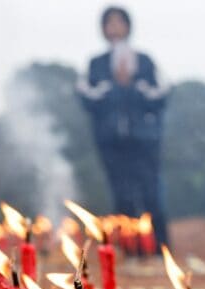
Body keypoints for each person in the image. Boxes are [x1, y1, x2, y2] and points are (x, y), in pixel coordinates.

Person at [77, 6, 170, 252]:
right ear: (103, 29)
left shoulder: (144, 60)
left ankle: (160, 247)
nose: (115, 27)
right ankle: (130, 249)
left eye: (119, 22)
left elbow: (161, 94)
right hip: (111, 141)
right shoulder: (96, 64)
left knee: (151, 192)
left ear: (128, 26)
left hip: (144, 140)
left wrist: (133, 87)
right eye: (110, 23)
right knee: (121, 195)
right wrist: (112, 89)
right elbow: (86, 98)